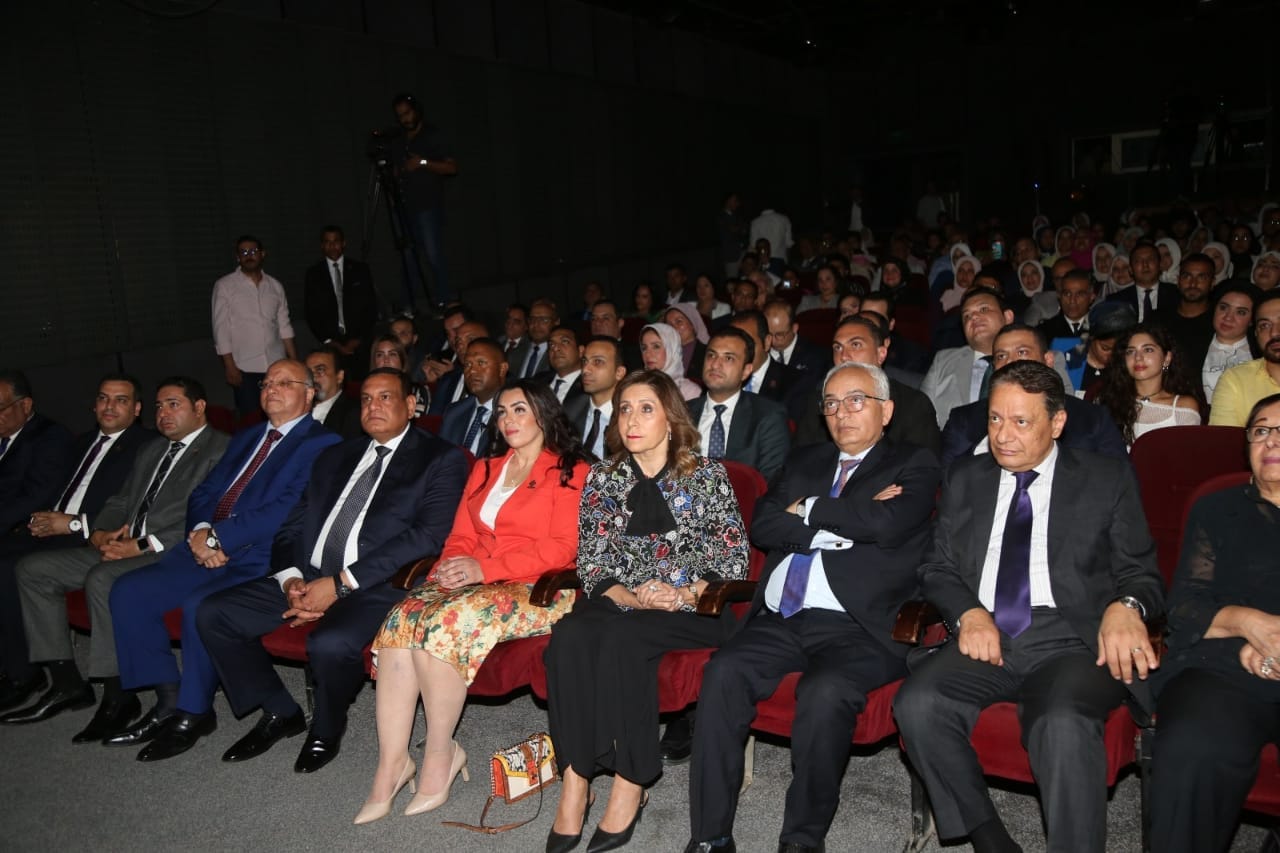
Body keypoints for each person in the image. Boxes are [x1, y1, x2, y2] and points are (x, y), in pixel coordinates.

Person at [894, 360, 1164, 853]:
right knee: (917, 703)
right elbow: (936, 566)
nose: (1003, 435)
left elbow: (1142, 574)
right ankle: (989, 838)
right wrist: (969, 613)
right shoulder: (966, 477)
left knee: (1061, 722)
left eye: (1021, 421)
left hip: (1072, 639)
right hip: (989, 631)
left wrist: (1126, 605)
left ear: (1057, 423)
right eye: (995, 418)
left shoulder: (1105, 479)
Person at [683, 361, 941, 853]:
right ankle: (710, 835)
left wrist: (807, 508)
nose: (842, 413)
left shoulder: (915, 463)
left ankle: (801, 840)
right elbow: (763, 525)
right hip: (784, 616)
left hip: (861, 626)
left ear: (886, 411)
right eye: (831, 404)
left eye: (856, 400)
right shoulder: (805, 460)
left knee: (825, 694)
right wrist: (843, 525)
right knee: (723, 672)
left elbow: (888, 523)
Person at [196, 369, 468, 775]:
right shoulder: (336, 455)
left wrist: (340, 585)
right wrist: (291, 579)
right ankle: (279, 709)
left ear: (411, 405)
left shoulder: (441, 458)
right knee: (214, 613)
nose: (373, 406)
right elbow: (291, 527)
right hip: (308, 575)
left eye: (385, 397)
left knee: (329, 643)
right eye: (366, 399)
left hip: (377, 583)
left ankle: (326, 726)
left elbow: (427, 536)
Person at [356, 379, 588, 822]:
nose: (508, 420)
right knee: (403, 618)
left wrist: (484, 569)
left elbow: (563, 548)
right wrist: (450, 567)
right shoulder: (486, 468)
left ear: (543, 414)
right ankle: (392, 764)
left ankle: (440, 756)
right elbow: (461, 534)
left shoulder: (569, 470)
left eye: (519, 409)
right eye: (502, 412)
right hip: (480, 581)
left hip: (540, 587)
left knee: (444, 624)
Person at [544, 370, 749, 853]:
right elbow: (593, 562)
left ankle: (631, 780)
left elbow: (732, 560)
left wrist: (680, 594)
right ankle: (576, 778)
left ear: (671, 418)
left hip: (693, 607)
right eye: (624, 409)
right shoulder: (604, 477)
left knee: (623, 639)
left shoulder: (707, 476)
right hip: (625, 600)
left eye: (646, 409)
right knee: (568, 635)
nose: (632, 420)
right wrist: (636, 597)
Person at [101, 359, 341, 761]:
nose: (271, 389)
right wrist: (201, 533)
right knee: (128, 591)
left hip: (260, 556)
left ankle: (193, 712)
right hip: (206, 547)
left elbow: (287, 509)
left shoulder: (323, 443)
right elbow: (205, 491)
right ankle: (168, 698)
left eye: (285, 383)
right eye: (266, 383)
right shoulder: (248, 436)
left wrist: (219, 537)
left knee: (201, 606)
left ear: (310, 393)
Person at [7, 378, 228, 739]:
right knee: (33, 569)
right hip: (124, 544)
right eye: (159, 406)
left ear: (199, 407)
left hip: (172, 551)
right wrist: (100, 533)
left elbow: (212, 516)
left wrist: (142, 545)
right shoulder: (152, 449)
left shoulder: (222, 449)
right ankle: (66, 682)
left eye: (173, 404)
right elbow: (120, 501)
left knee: (104, 579)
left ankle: (117, 694)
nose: (163, 413)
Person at [1148, 394, 1280, 852]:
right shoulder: (1219, 509)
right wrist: (1248, 624)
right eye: (1260, 430)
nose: (1271, 441)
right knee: (1193, 745)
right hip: (1223, 666)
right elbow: (1184, 606)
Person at [0, 375, 152, 715]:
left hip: (93, 537)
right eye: (103, 398)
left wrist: (71, 523)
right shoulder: (81, 442)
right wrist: (42, 519)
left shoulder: (147, 446)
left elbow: (132, 508)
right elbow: (48, 490)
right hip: (51, 531)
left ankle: (31, 675)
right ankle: (51, 678)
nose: (109, 406)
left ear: (137, 409)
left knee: (11, 569)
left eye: (121, 400)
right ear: (93, 405)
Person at [940, 324, 1126, 466]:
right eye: (1001, 356)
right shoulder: (964, 420)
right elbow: (947, 486)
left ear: (1048, 360)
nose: (1011, 362)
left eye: (1022, 352)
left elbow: (1119, 486)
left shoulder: (1092, 419)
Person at [688, 327, 791, 480]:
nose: (715, 364)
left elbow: (773, 481)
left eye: (728, 358)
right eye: (711, 355)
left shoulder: (767, 416)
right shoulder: (681, 412)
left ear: (746, 371)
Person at [212, 235, 298, 414]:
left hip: (277, 364)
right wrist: (229, 367)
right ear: (238, 257)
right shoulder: (225, 286)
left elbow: (284, 325)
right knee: (251, 418)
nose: (249, 255)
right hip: (244, 368)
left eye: (253, 251)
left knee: (282, 412)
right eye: (243, 252)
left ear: (262, 254)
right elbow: (221, 329)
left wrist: (294, 361)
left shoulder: (275, 286)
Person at [389, 92, 458, 309]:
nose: (405, 118)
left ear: (416, 111)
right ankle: (408, 307)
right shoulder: (399, 141)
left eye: (407, 113)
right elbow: (396, 170)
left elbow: (451, 167)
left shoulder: (432, 135)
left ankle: (444, 302)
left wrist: (423, 162)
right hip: (405, 207)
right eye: (400, 115)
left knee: (433, 254)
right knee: (409, 258)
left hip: (428, 206)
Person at [922, 287, 1016, 428]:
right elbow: (920, 415)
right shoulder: (943, 360)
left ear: (1007, 317)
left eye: (983, 309)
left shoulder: (1030, 357)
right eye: (967, 316)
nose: (974, 317)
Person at [1096, 323, 1203, 446]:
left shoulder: (1182, 407)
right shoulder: (1108, 401)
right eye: (1130, 351)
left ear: (1167, 358)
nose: (1138, 357)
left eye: (1148, 350)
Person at [302, 225, 377, 379]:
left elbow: (371, 307)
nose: (332, 246)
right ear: (322, 245)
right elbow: (311, 312)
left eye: (336, 241)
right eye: (328, 242)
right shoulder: (314, 274)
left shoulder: (360, 269)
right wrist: (329, 341)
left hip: (359, 342)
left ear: (343, 243)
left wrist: (359, 338)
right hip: (331, 343)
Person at [1210, 291, 1280, 426]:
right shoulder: (1235, 379)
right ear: (1256, 333)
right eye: (1265, 325)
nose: (1274, 333)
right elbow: (1224, 437)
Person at [441, 338, 509, 456]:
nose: (472, 371)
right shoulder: (454, 412)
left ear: (502, 369)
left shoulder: (514, 415)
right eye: (467, 364)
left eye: (481, 363)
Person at [1202, 282, 1260, 403]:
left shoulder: (1261, 353)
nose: (1228, 317)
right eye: (1223, 308)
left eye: (1241, 312)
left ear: (1252, 320)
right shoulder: (1190, 345)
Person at [573, 336, 628, 460]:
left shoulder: (629, 418)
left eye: (597, 362)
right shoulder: (571, 409)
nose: (585, 370)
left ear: (619, 372)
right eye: (584, 361)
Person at [1107, 242, 1178, 324]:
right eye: (1138, 261)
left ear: (1160, 265)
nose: (1145, 265)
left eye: (1150, 259)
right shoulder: (1116, 301)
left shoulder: (1176, 294)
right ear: (1130, 269)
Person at [306, 347, 362, 439]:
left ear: (339, 376)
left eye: (320, 370)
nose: (313, 378)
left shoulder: (355, 414)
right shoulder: (296, 408)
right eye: (308, 373)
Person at [369, 335, 430, 418]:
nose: (386, 360)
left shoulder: (417, 391)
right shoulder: (366, 391)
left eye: (392, 354)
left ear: (402, 360)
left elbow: (417, 421)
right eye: (380, 355)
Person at [764, 300, 831, 375]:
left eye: (780, 335)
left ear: (794, 328)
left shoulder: (817, 356)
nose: (772, 341)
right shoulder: (759, 352)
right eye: (768, 334)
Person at [640, 323, 701, 401]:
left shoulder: (690, 391)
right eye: (644, 348)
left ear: (671, 349)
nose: (648, 354)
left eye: (656, 346)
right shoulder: (638, 386)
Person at [537, 325, 585, 407]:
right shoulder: (538, 381)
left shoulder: (589, 387)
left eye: (564, 342)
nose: (555, 348)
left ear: (581, 351)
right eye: (551, 345)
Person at [664, 304, 710, 385]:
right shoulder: (663, 353)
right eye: (669, 325)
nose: (673, 328)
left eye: (679, 321)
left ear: (692, 324)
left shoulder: (707, 353)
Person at [516, 299, 558, 379]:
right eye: (532, 319)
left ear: (556, 322)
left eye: (544, 320)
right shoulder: (515, 353)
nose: (536, 324)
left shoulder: (558, 354)